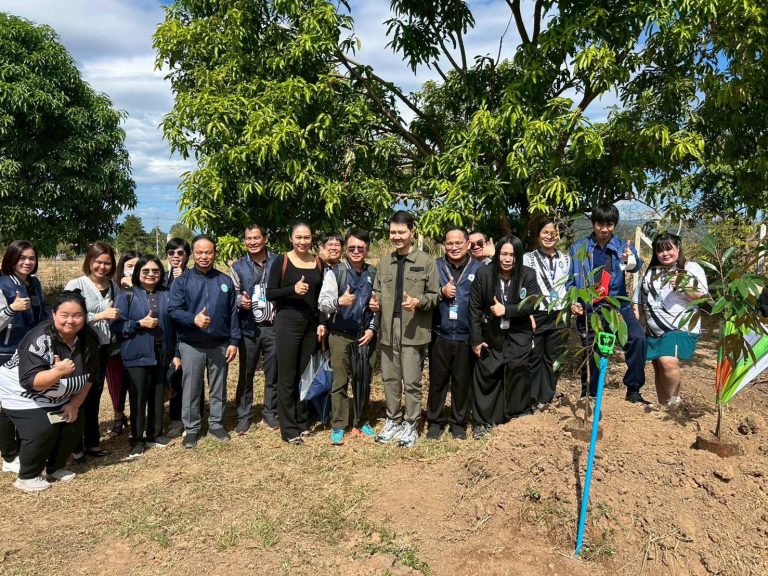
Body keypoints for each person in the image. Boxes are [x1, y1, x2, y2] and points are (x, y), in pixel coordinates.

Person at [0, 290, 99, 492]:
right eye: (64, 315)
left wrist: (74, 404)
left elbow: (91, 375)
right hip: (20, 391)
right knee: (42, 427)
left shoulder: (88, 338)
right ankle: (27, 476)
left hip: (56, 391)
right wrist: (57, 372)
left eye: (77, 315)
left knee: (74, 420)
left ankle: (55, 467)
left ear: (85, 316)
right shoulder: (38, 338)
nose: (70, 321)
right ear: (53, 314)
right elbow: (31, 382)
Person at [567, 204, 649, 404]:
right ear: (593, 224)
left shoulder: (622, 246)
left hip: (617, 304)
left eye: (609, 224)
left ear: (614, 225)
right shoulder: (579, 248)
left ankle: (633, 389)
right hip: (590, 307)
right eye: (600, 224)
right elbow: (570, 280)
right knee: (592, 350)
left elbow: (635, 266)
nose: (604, 229)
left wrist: (630, 259)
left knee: (637, 339)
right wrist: (573, 301)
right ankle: (589, 394)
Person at [372, 210, 439, 448]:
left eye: (401, 232)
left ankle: (411, 424)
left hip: (413, 328)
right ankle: (393, 420)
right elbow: (377, 292)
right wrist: (374, 302)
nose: (397, 236)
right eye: (393, 232)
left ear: (412, 232)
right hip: (388, 328)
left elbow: (435, 295)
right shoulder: (384, 263)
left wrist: (418, 302)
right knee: (390, 378)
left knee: (411, 381)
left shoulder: (426, 262)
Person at [169, 235, 240, 448]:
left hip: (219, 343)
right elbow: (173, 311)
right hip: (191, 344)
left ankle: (216, 423)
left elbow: (233, 313)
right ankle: (191, 428)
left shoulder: (225, 281)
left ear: (215, 254)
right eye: (199, 252)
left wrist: (234, 341)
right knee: (191, 389)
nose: (204, 256)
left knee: (218, 387)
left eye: (208, 252)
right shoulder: (182, 281)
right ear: (193, 254)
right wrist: (193, 319)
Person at [469, 235, 540, 438]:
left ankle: (517, 416)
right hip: (491, 333)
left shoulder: (527, 274)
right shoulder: (484, 274)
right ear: (497, 254)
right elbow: (474, 309)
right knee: (488, 373)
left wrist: (507, 310)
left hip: (519, 334)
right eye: (503, 254)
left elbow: (533, 303)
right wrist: (475, 339)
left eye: (512, 255)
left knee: (518, 372)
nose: (507, 259)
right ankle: (483, 421)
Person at [265, 222, 327, 444]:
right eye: (298, 237)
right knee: (288, 376)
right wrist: (293, 289)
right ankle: (288, 427)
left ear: (312, 239)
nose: (303, 241)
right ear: (291, 238)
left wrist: (321, 322)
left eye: (306, 237)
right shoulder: (281, 261)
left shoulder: (318, 263)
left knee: (305, 375)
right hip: (288, 323)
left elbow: (321, 298)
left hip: (311, 325)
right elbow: (270, 293)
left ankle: (302, 421)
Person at [114, 256, 180, 458]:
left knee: (158, 394)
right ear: (138, 273)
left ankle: (155, 433)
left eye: (155, 271)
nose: (151, 274)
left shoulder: (167, 294)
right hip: (137, 354)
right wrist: (138, 324)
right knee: (138, 396)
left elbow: (175, 326)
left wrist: (176, 353)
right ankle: (137, 439)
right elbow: (116, 326)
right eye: (146, 271)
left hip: (162, 352)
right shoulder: (127, 295)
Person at [632, 233, 708, 406]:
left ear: (678, 248)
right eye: (660, 251)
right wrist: (632, 322)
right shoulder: (651, 272)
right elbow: (639, 302)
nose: (665, 254)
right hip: (654, 329)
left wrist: (685, 286)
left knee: (667, 361)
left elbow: (703, 298)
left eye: (669, 249)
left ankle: (675, 404)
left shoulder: (690, 268)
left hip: (680, 325)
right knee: (658, 365)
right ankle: (664, 406)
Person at [318, 229, 378, 445]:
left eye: (360, 248)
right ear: (346, 249)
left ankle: (361, 421)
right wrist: (338, 302)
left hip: (366, 335)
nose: (356, 251)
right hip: (340, 335)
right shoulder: (335, 273)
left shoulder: (374, 273)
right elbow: (323, 303)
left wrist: (372, 329)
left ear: (367, 250)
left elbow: (378, 305)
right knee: (340, 382)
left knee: (363, 380)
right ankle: (339, 424)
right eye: (351, 247)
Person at [426, 227, 484, 440]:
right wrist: (441, 292)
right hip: (439, 333)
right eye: (449, 243)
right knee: (437, 381)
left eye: (458, 242)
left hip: (465, 335)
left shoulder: (479, 269)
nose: (454, 247)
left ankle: (458, 423)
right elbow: (425, 294)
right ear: (444, 245)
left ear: (467, 244)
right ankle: (435, 421)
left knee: (462, 382)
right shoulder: (435, 266)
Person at [65, 242, 119, 461]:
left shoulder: (113, 285)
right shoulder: (76, 284)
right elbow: (66, 316)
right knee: (78, 394)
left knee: (95, 394)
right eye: (98, 262)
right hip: (80, 348)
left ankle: (93, 443)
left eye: (107, 263)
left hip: (102, 348)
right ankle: (75, 446)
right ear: (89, 261)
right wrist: (99, 316)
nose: (102, 267)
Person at [0, 241, 49, 475]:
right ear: (11, 259)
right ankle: (9, 456)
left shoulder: (34, 283)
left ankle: (24, 448)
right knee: (7, 405)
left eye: (31, 258)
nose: (27, 262)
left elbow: (42, 314)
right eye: (22, 258)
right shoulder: (2, 284)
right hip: (6, 351)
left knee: (26, 399)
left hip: (30, 351)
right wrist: (11, 309)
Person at [229, 224, 279, 434]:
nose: (252, 242)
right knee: (246, 373)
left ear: (265, 239)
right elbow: (233, 294)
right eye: (248, 239)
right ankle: (244, 415)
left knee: (273, 372)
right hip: (249, 328)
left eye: (256, 238)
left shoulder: (279, 261)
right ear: (244, 241)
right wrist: (241, 301)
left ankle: (270, 411)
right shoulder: (238, 266)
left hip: (273, 326)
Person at [523, 217, 570, 408]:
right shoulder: (529, 258)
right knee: (534, 356)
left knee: (553, 357)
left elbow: (569, 285)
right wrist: (527, 313)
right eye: (545, 232)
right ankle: (532, 398)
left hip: (559, 314)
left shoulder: (566, 258)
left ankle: (546, 397)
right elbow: (524, 286)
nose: (549, 236)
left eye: (553, 233)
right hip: (537, 313)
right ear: (538, 235)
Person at [106, 250, 140, 439]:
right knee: (116, 382)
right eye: (129, 266)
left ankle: (138, 417)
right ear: (122, 268)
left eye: (137, 266)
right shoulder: (113, 286)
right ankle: (118, 415)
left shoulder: (145, 286)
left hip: (137, 342)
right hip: (115, 344)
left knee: (136, 383)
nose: (133, 270)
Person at [164, 238, 191, 437]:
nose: (176, 256)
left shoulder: (193, 277)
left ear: (187, 255)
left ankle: (190, 417)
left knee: (189, 377)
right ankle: (174, 417)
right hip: (166, 334)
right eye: (171, 253)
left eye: (180, 253)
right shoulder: (161, 277)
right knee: (172, 376)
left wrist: (182, 281)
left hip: (187, 334)